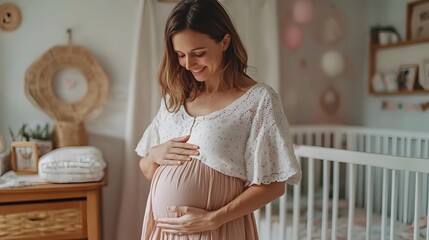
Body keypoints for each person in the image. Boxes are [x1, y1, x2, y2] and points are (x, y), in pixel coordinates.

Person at [135, 0, 302, 239]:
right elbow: (147, 167)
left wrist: (213, 219)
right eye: (180, 55)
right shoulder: (176, 97)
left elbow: (275, 185)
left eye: (198, 53)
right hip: (166, 233)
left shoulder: (258, 100)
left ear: (224, 42)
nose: (189, 64)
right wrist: (154, 156)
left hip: (218, 230)